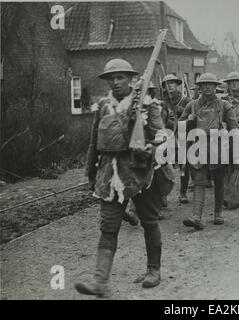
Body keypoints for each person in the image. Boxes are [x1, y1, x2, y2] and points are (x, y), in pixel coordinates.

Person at [75, 59, 174, 297]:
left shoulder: (147, 105)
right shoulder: (102, 107)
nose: (115, 82)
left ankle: (153, 269)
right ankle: (100, 282)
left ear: (131, 79)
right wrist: (90, 173)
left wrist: (149, 147)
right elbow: (93, 144)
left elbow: (162, 136)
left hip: (139, 173)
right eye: (111, 78)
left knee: (149, 221)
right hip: (109, 175)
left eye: (120, 77)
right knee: (108, 227)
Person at [178, 73, 239, 230]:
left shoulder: (224, 105)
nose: (207, 87)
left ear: (215, 87)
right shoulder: (192, 105)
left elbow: (235, 128)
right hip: (197, 147)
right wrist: (188, 121)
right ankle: (197, 217)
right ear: (199, 86)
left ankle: (218, 213)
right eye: (204, 84)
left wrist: (236, 151)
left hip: (218, 148)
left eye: (210, 84)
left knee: (219, 181)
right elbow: (178, 127)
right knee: (199, 181)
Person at [160, 74, 192, 204]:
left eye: (172, 83)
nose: (170, 86)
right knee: (163, 165)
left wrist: (182, 111)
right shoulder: (162, 101)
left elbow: (193, 116)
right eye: (167, 84)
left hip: (183, 135)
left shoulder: (185, 100)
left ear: (177, 85)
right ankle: (163, 195)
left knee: (185, 166)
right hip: (167, 136)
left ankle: (183, 192)